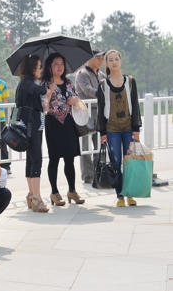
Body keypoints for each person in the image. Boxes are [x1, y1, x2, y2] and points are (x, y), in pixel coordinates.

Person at [96, 50, 142, 207]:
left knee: (129, 162)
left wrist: (136, 128)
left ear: (121, 61)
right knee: (116, 163)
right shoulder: (103, 85)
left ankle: (130, 194)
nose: (114, 62)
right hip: (112, 129)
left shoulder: (130, 81)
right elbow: (101, 109)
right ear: (106, 63)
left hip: (128, 128)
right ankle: (120, 195)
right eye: (110, 60)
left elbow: (135, 104)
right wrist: (102, 132)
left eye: (116, 59)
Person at [43, 52, 83, 206]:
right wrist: (50, 92)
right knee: (54, 159)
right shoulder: (45, 84)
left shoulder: (68, 82)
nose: (59, 67)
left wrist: (75, 99)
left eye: (61, 64)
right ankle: (54, 192)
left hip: (68, 123)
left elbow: (77, 97)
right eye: (55, 64)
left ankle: (72, 191)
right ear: (49, 67)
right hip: (53, 123)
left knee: (69, 158)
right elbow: (43, 106)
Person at [15, 54, 54, 213]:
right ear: (32, 68)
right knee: (36, 160)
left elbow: (42, 104)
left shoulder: (24, 83)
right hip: (32, 125)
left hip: (30, 124)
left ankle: (32, 194)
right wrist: (48, 90)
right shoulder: (27, 83)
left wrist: (48, 93)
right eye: (39, 67)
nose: (41, 70)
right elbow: (39, 90)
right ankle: (37, 197)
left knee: (31, 160)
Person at [74, 49, 104, 184]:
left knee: (99, 143)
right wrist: (104, 93)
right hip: (84, 112)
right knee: (85, 145)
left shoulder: (102, 74)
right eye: (98, 58)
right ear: (89, 59)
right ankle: (88, 175)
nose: (101, 60)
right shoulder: (82, 74)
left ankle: (99, 171)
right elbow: (87, 90)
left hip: (99, 111)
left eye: (102, 58)